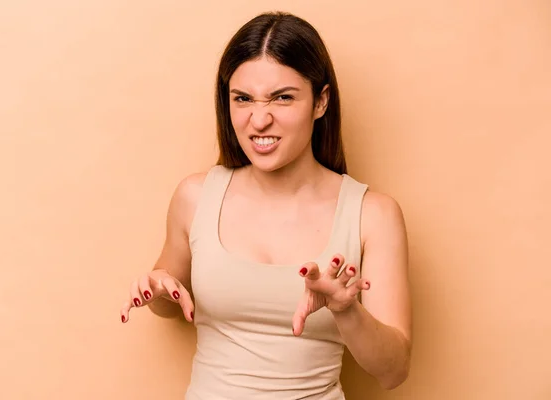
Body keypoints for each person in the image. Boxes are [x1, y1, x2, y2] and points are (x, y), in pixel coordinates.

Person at [120, 11, 412, 399]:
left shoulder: (373, 215)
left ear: (321, 101)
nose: (259, 120)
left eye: (283, 98)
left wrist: (346, 310)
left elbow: (393, 371)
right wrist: (158, 290)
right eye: (242, 99)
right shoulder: (195, 196)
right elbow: (170, 301)